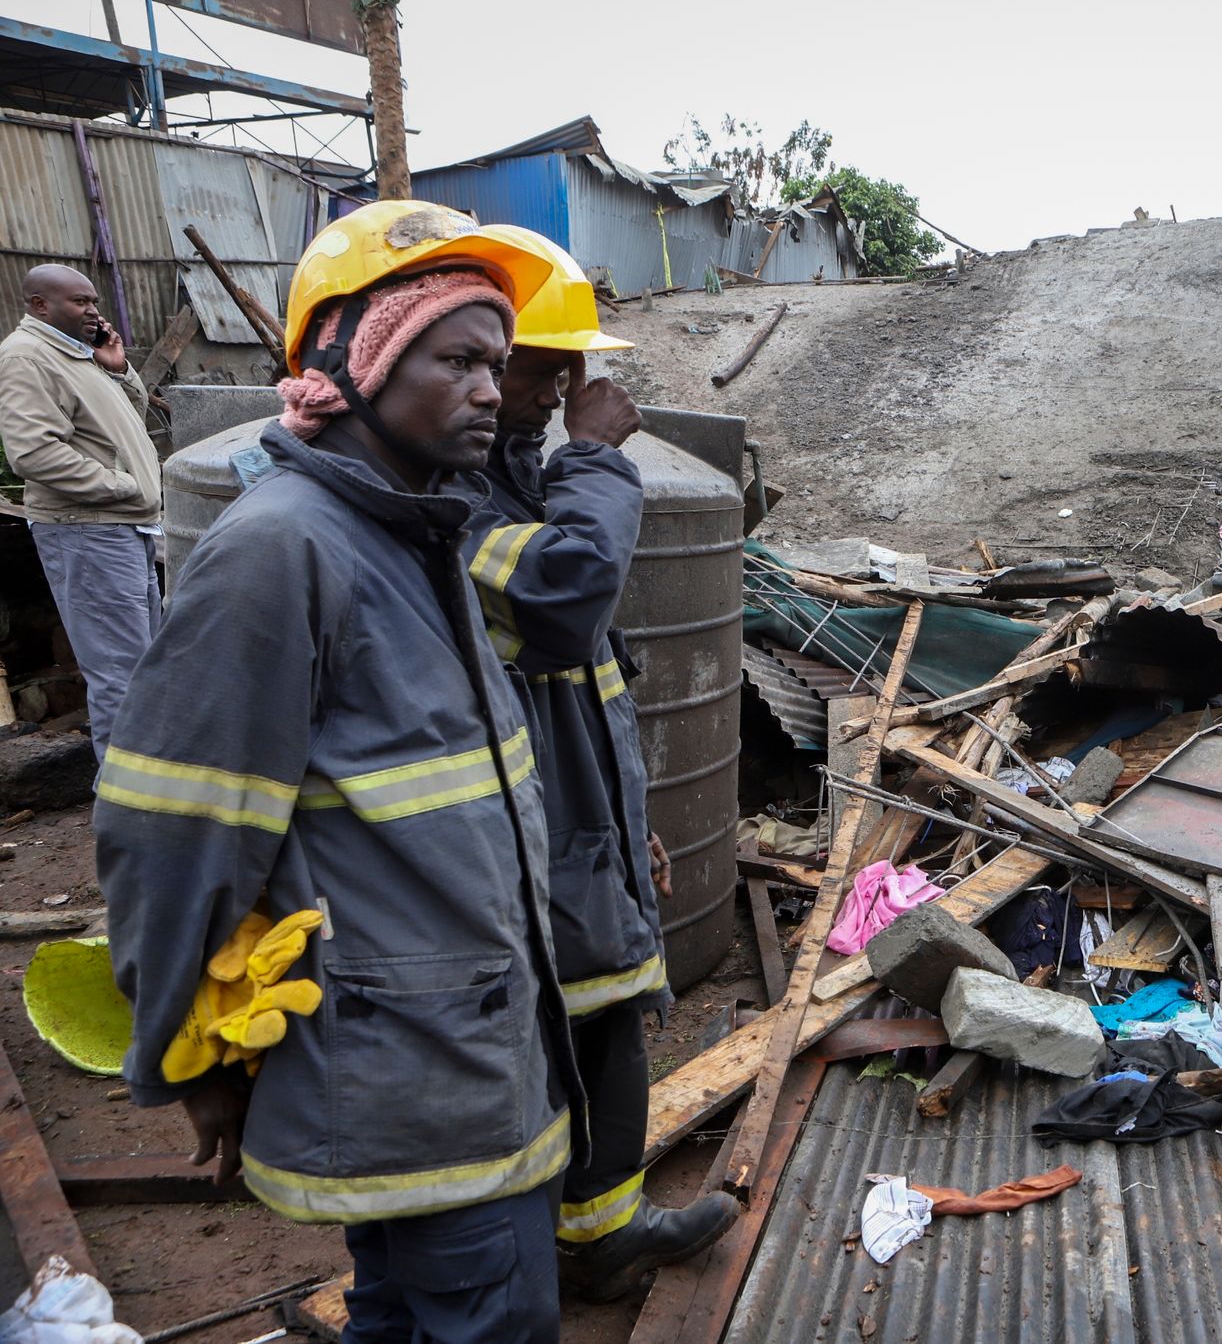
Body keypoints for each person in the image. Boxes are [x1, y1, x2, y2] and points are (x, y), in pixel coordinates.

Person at [97, 200, 579, 1343]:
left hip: (463, 1049)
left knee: (403, 1316)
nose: (486, 390)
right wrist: (182, 1050)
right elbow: (173, 832)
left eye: (496, 363)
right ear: (350, 361)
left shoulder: (416, 533)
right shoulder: (281, 550)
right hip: (406, 1080)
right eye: (456, 359)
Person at [464, 223, 738, 1300]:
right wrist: (593, 457)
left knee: (602, 1028)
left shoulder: (520, 482)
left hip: (580, 818)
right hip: (520, 841)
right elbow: (567, 602)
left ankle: (595, 1233)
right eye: (543, 366)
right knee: (583, 1028)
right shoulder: (463, 507)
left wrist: (637, 825)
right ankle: (579, 1243)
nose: (561, 389)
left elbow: (584, 693)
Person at [0, 265, 163, 759]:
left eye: (93, 300)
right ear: (39, 305)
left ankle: (154, 788)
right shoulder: (27, 357)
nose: (92, 310)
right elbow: (33, 452)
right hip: (88, 532)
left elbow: (130, 418)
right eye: (79, 301)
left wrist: (118, 368)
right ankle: (125, 803)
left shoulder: (77, 354)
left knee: (147, 666)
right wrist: (122, 487)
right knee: (121, 673)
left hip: (125, 527)